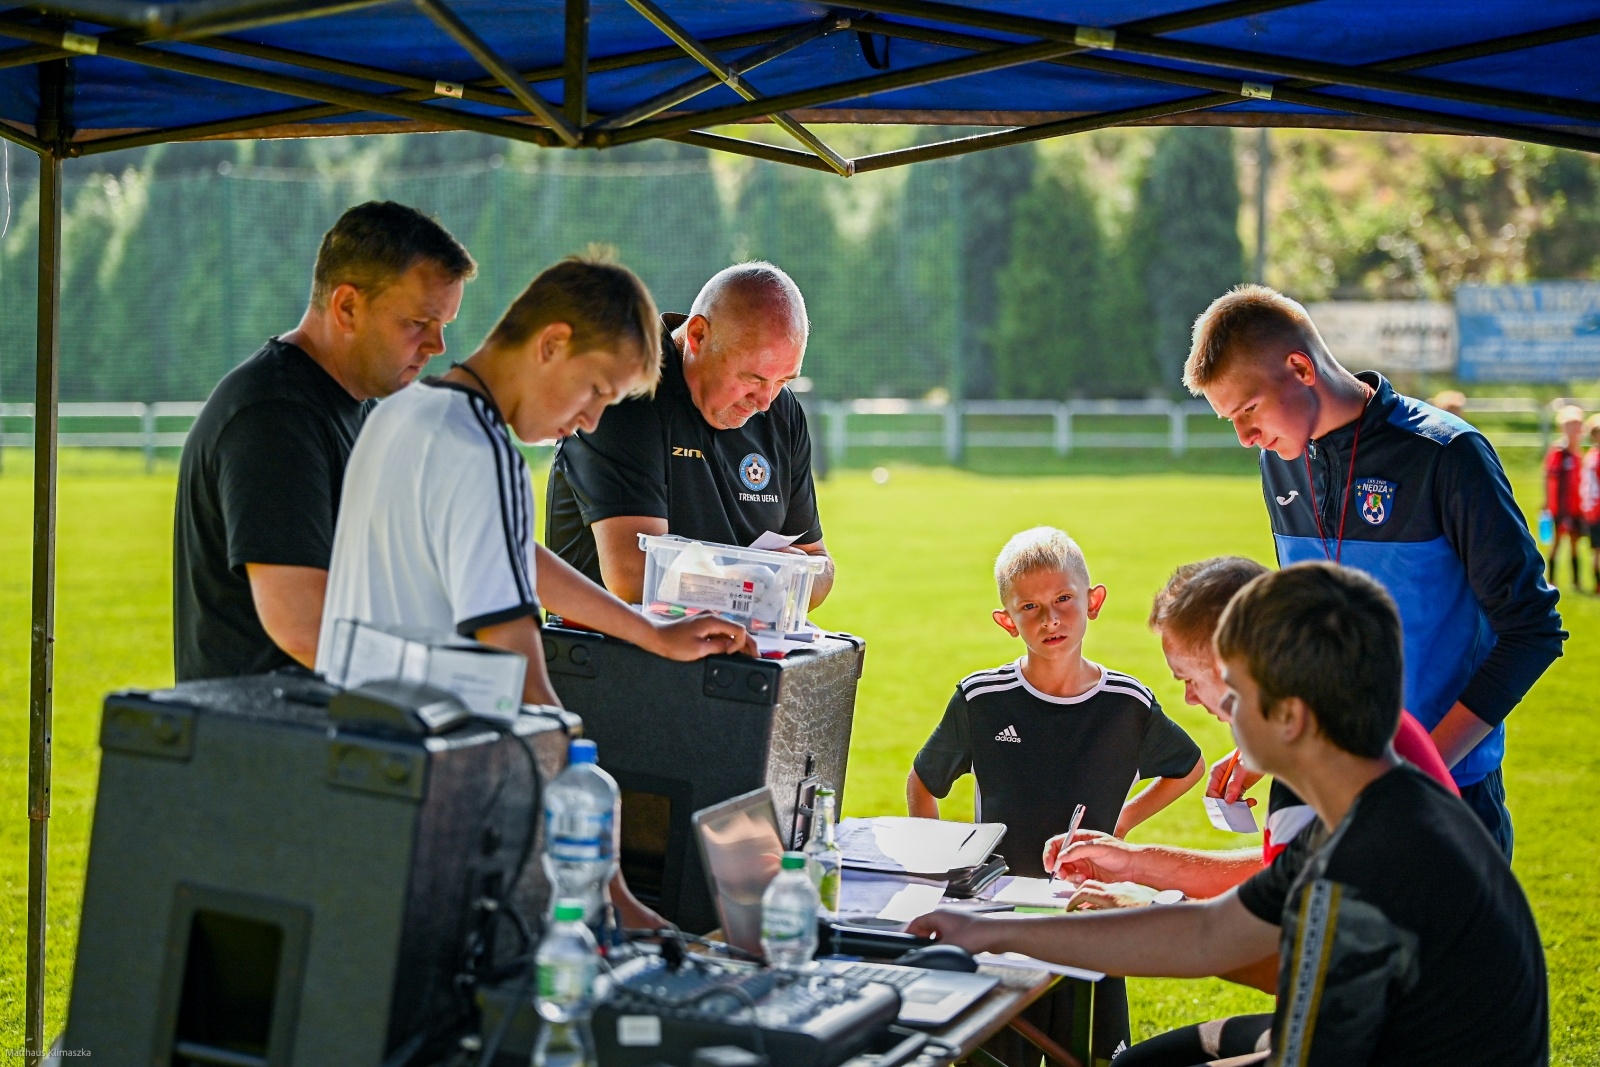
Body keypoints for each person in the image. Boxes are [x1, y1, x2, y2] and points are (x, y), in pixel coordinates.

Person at [911, 563, 1551, 1067]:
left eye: (1234, 692)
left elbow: (1284, 1014)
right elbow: (1211, 932)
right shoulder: (1366, 808)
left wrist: (1129, 904)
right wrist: (994, 932)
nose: (1211, 705)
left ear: (1291, 716)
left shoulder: (1363, 862)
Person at [314, 255, 753, 930]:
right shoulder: (480, 449)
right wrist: (618, 896)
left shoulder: (405, 413)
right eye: (595, 390)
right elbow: (524, 676)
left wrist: (650, 631)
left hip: (355, 770)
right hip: (433, 800)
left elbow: (519, 549)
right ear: (552, 344)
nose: (588, 422)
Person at [1183, 284, 1565, 858]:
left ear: (1299, 368)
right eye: (1229, 420)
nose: (1244, 438)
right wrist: (1275, 739)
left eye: (1248, 410)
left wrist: (1415, 768)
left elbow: (1532, 630)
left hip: (1448, 798)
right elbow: (1314, 635)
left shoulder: (1445, 454)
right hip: (1331, 795)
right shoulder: (1280, 463)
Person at [1046, 556, 1457, 1067]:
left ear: (1234, 663)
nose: (1191, 699)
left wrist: (1145, 914)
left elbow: (1294, 967)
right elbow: (1277, 882)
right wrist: (1137, 862)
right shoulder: (1342, 726)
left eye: (1190, 679)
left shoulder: (1321, 762)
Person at [906, 526, 1204, 1066]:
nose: (1050, 619)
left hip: (1091, 915)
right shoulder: (983, 699)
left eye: (1064, 600)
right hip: (1000, 921)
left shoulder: (1127, 703)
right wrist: (941, 874)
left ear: (1093, 602)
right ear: (1006, 621)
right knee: (998, 1053)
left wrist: (1121, 827)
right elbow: (924, 782)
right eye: (1030, 607)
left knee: (1091, 1054)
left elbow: (1188, 767)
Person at [173, 201, 476, 681]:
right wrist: (461, 683)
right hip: (270, 741)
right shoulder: (274, 416)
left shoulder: (363, 410)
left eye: (444, 326)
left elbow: (479, 535)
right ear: (348, 307)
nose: (437, 346)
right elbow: (303, 627)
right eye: (418, 323)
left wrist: (633, 625)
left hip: (333, 729)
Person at [545, 261, 833, 607]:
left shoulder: (782, 411)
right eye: (753, 378)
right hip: (615, 654)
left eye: (784, 380)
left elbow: (818, 564)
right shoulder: (623, 393)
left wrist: (761, 578)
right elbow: (634, 575)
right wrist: (766, 576)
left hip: (736, 649)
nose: (765, 400)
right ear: (697, 336)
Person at [1544, 405, 1586, 590]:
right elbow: (1549, 478)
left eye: (1577, 425)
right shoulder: (1558, 453)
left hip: (1577, 506)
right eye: (1570, 425)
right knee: (1556, 543)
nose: (1575, 430)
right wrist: (1549, 504)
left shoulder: (1578, 453)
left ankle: (1576, 582)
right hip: (1560, 508)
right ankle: (1551, 581)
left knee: (1576, 543)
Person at [1583, 413, 1600, 594]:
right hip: (1597, 509)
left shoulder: (1589, 456)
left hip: (1591, 509)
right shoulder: (1596, 458)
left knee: (1597, 551)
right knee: (1597, 551)